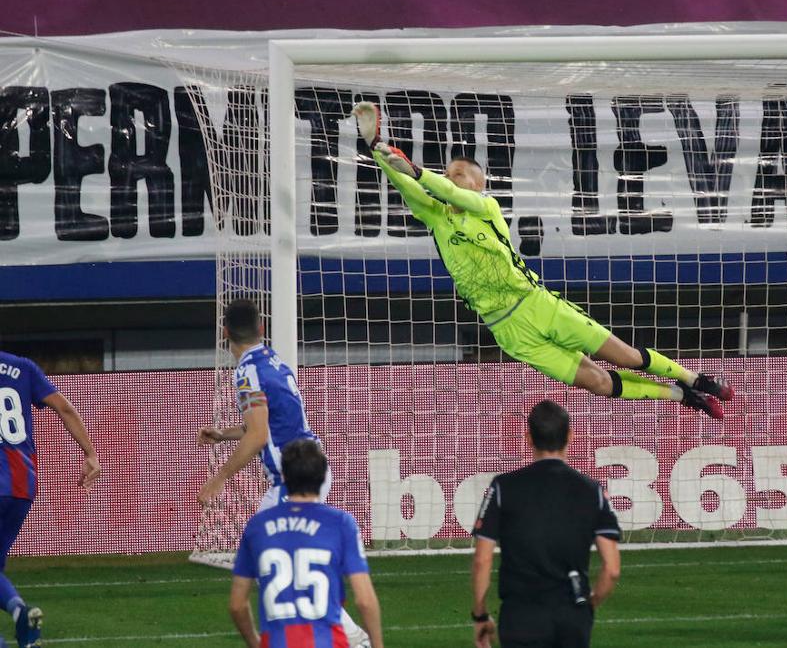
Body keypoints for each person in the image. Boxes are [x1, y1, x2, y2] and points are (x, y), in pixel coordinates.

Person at [354, 101, 732, 420]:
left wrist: (420, 172)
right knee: (599, 384)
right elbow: (405, 184)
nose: (451, 180)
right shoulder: (438, 218)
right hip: (509, 332)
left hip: (538, 305)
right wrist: (374, 146)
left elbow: (425, 180)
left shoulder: (485, 207)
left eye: (459, 175)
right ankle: (679, 396)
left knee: (629, 357)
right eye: (448, 174)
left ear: (478, 183)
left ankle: (695, 378)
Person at [198, 298, 371, 647]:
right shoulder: (274, 361)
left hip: (292, 477)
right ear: (261, 328)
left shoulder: (246, 371)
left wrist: (218, 479)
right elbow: (271, 422)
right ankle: (348, 636)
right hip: (311, 463)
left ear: (224, 332)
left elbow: (260, 434)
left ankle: (349, 637)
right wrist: (225, 433)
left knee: (270, 556)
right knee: (282, 558)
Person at [471, 400, 621, 648]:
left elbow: (482, 560)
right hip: (571, 614)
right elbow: (612, 569)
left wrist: (480, 613)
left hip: (521, 615)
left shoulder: (503, 487)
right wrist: (589, 604)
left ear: (529, 438)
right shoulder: (592, 491)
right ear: (570, 436)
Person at [230, 439, 384, 648]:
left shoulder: (257, 526)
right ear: (323, 476)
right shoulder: (341, 524)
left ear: (283, 476)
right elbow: (364, 600)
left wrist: (256, 643)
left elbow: (238, 605)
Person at [0, 349, 99, 648]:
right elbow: (64, 408)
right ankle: (20, 615)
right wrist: (90, 453)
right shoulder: (22, 366)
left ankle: (16, 617)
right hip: (21, 485)